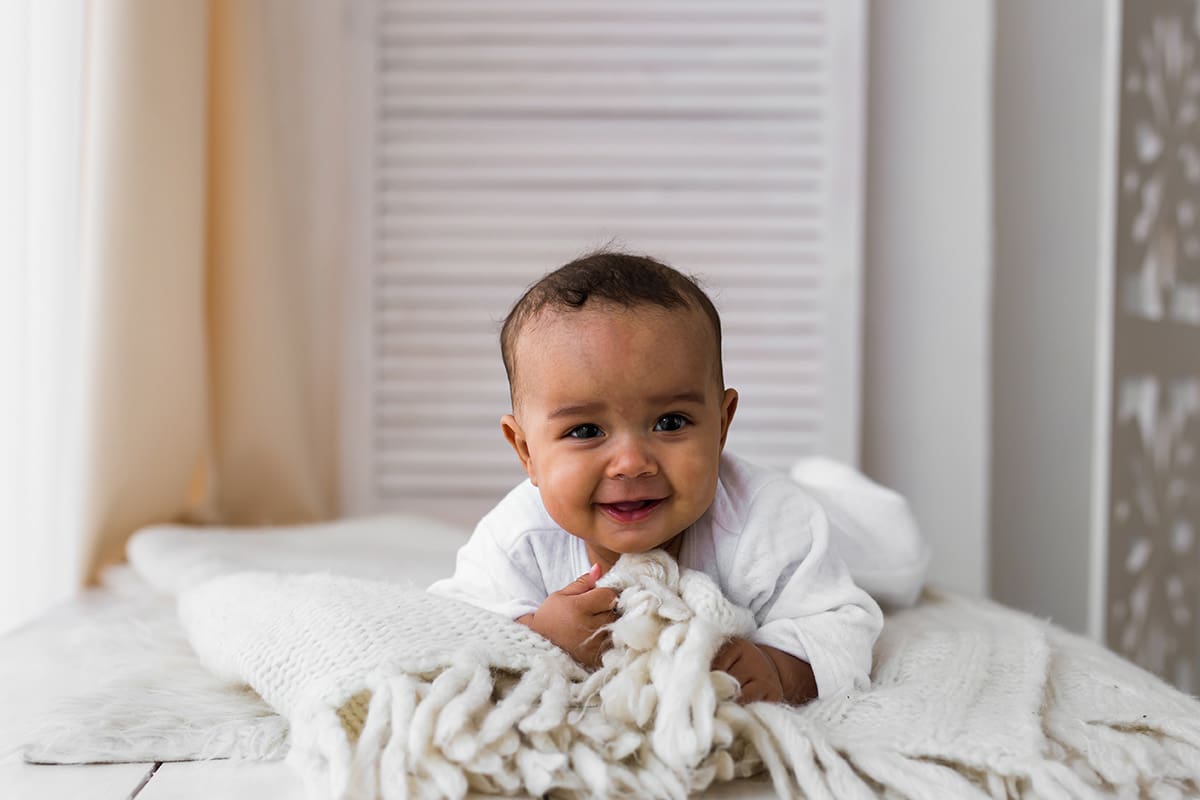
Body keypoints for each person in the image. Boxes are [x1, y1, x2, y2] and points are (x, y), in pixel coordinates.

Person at [429, 250, 888, 705]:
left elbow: (842, 626)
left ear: (722, 424)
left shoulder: (773, 522)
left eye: (670, 422)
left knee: (892, 559)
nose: (631, 463)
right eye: (586, 431)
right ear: (527, 451)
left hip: (852, 529)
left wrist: (779, 669)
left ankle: (845, 491)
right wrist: (539, 634)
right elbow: (454, 627)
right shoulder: (518, 537)